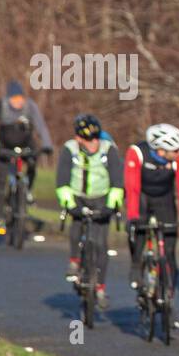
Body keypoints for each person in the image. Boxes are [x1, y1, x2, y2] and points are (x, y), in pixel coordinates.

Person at [55, 114, 125, 310]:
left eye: (95, 139)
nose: (93, 143)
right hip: (78, 196)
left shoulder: (108, 149)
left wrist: (112, 204)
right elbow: (62, 180)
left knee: (101, 244)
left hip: (101, 197)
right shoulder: (69, 150)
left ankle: (100, 288)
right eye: (87, 140)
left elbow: (117, 181)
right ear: (78, 138)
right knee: (77, 227)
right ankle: (74, 260)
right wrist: (69, 203)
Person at [124, 123, 179, 292]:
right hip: (142, 196)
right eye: (175, 150)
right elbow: (132, 188)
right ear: (161, 150)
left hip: (165, 197)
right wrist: (132, 216)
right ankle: (136, 265)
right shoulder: (137, 153)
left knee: (169, 250)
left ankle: (168, 293)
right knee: (137, 233)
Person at [0, 80, 53, 231]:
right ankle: (0, 216)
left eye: (20, 98)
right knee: (2, 181)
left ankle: (27, 191)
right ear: (9, 99)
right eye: (15, 99)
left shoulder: (30, 106)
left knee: (33, 164)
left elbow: (41, 126)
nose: (18, 102)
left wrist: (47, 145)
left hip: (26, 145)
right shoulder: (1, 106)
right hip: (5, 147)